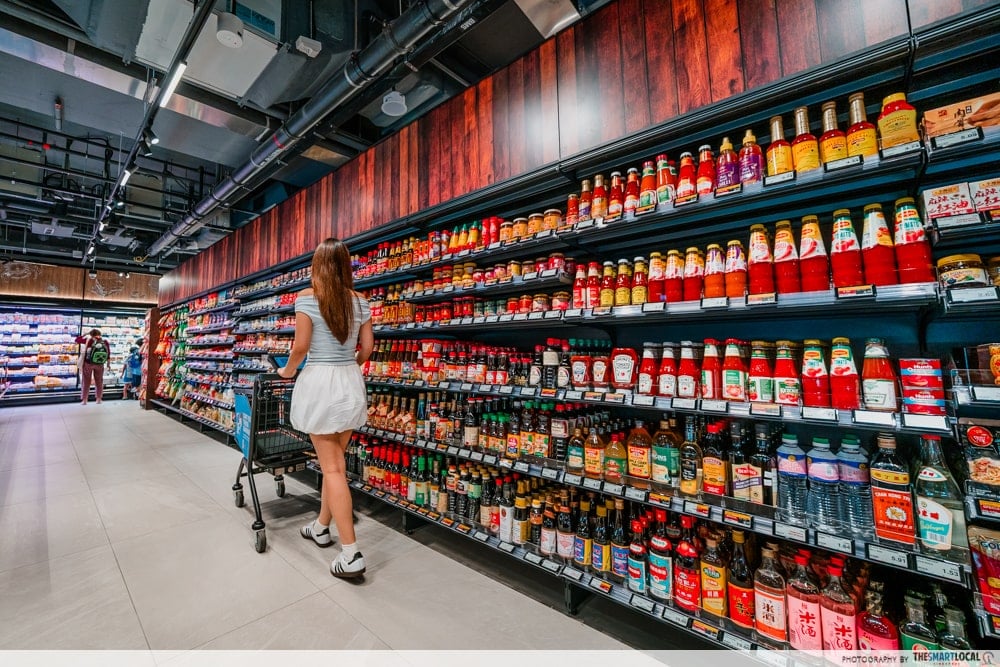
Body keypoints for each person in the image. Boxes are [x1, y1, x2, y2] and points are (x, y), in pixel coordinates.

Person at [277, 238, 374, 579]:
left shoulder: (306, 298)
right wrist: (350, 364)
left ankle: (351, 555)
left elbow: (301, 346)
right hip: (349, 382)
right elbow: (367, 349)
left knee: (332, 469)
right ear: (347, 265)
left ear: (316, 266)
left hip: (320, 382)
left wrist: (286, 371)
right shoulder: (361, 301)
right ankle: (321, 526)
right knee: (333, 463)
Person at [76, 329, 111, 404]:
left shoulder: (88, 340)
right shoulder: (105, 341)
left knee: (86, 381)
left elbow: (77, 340)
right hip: (100, 364)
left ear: (91, 334)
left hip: (88, 363)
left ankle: (84, 400)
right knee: (99, 381)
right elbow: (108, 353)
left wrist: (85, 334)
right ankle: (98, 399)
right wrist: (108, 364)